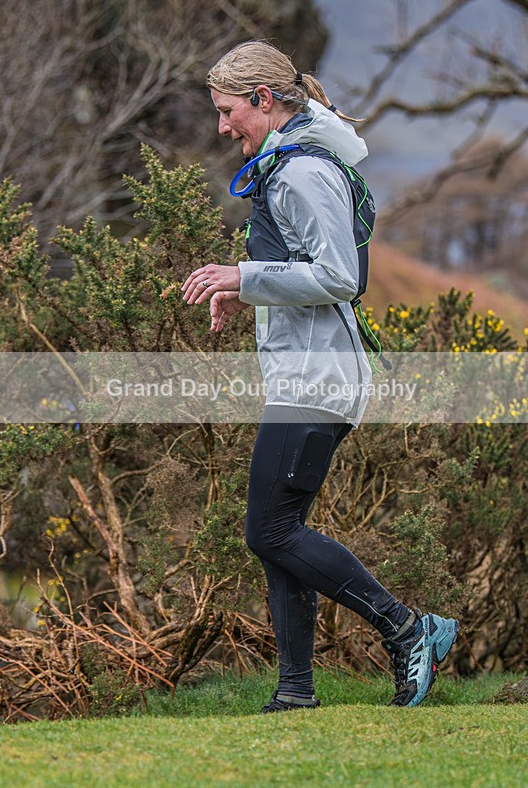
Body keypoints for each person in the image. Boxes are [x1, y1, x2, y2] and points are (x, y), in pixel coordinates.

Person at [181, 40, 458, 712]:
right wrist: (244, 290)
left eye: (227, 111)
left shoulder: (302, 170)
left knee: (268, 532)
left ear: (262, 99)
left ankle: (404, 627)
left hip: (319, 380)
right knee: (281, 538)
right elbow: (303, 268)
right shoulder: (286, 159)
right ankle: (295, 693)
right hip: (305, 375)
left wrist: (244, 275)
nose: (221, 127)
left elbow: (338, 277)